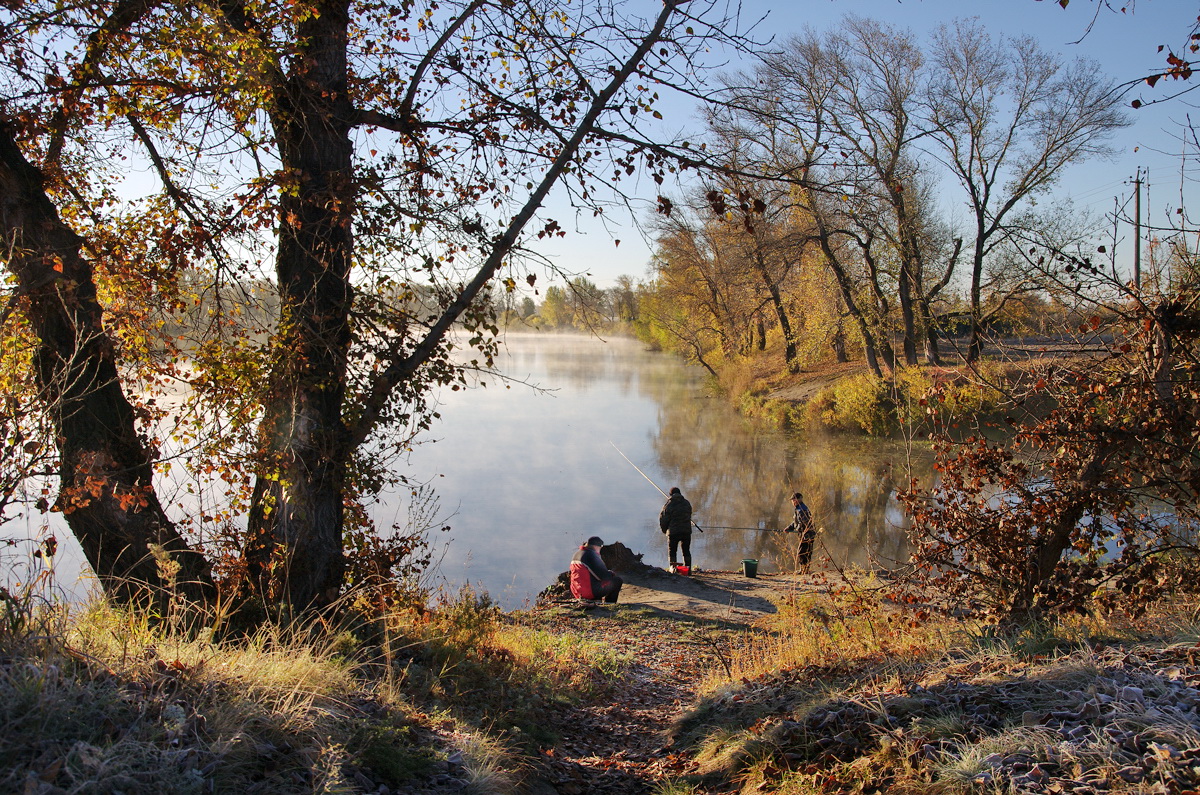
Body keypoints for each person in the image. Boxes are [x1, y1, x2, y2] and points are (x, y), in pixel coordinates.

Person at [569, 536, 623, 603]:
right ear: (596, 546)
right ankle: (609, 603)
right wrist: (611, 574)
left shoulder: (577, 554)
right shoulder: (590, 555)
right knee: (617, 581)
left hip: (577, 592)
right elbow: (603, 577)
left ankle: (597, 600)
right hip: (589, 593)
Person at [659, 486, 693, 571]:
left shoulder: (668, 505)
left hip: (673, 532)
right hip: (686, 531)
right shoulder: (687, 503)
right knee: (686, 550)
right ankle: (688, 570)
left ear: (670, 494)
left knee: (672, 551)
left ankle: (673, 569)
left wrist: (665, 530)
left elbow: (663, 519)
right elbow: (689, 514)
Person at [784, 491, 817, 571]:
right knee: (806, 552)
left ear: (798, 500)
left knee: (802, 553)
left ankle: (803, 570)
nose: (792, 502)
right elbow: (797, 522)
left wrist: (802, 532)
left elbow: (806, 523)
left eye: (793, 500)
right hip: (806, 534)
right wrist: (789, 528)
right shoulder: (799, 508)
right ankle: (804, 569)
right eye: (792, 500)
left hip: (807, 535)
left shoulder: (801, 510)